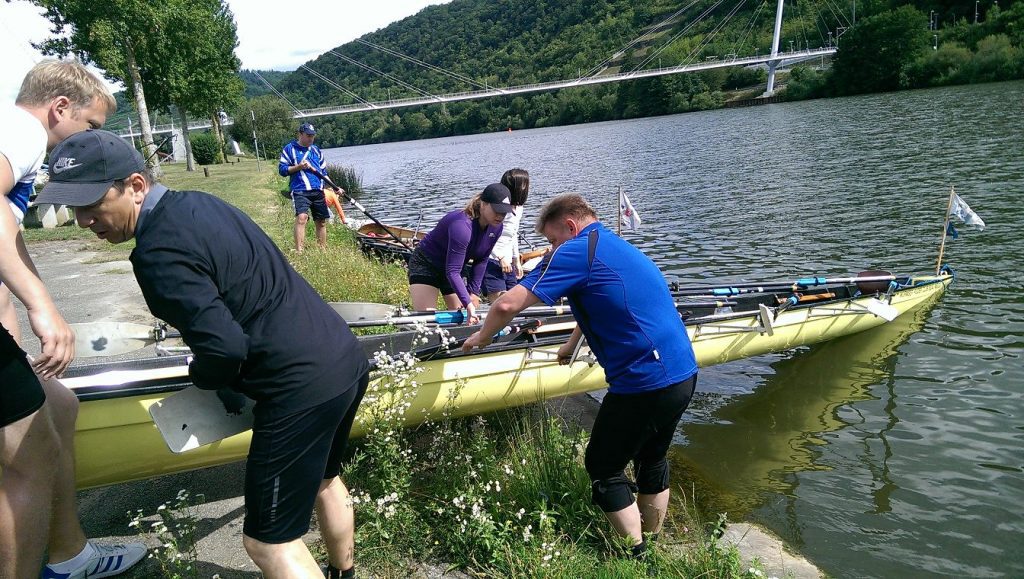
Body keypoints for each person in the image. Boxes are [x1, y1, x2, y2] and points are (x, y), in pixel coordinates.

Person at [38, 129, 370, 579]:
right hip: (343, 356)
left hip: (298, 385)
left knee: (268, 542)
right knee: (325, 480)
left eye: (92, 203)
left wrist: (206, 376)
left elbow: (224, 348)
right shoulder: (200, 203)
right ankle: (343, 573)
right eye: (74, 207)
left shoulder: (156, 253)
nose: (83, 220)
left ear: (136, 186)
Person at [461, 193, 698, 559]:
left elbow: (507, 304)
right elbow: (601, 300)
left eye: (553, 239)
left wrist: (481, 337)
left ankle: (634, 556)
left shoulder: (574, 250)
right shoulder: (612, 244)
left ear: (570, 226)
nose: (551, 248)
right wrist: (571, 344)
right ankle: (652, 544)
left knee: (603, 466)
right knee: (652, 459)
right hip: (682, 372)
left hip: (644, 381)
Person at [0, 60, 147, 579]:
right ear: (60, 107)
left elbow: (7, 242)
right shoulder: (21, 129)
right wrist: (42, 306)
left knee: (58, 404)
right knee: (30, 455)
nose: (89, 139)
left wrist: (15, 329)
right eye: (90, 126)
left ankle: (69, 555)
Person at [407, 183, 513, 323]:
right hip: (427, 263)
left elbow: (482, 260)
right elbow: (453, 271)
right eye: (497, 210)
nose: (500, 216)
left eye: (504, 212)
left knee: (464, 318)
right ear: (483, 204)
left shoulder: (496, 228)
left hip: (455, 265)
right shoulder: (462, 225)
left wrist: (473, 292)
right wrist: (468, 303)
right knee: (427, 321)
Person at [278, 122, 342, 252]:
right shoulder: (289, 149)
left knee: (321, 221)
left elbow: (323, 173)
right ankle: (299, 251)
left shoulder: (316, 150)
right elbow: (282, 170)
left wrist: (335, 188)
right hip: (300, 189)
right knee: (302, 218)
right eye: (308, 136)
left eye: (312, 136)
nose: (311, 139)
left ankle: (322, 251)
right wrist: (299, 167)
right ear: (300, 134)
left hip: (318, 190)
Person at [482, 169, 530, 302]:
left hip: (508, 262)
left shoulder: (518, 209)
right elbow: (486, 236)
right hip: (492, 260)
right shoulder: (499, 210)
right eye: (525, 185)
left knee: (514, 301)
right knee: (499, 303)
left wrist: (516, 260)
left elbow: (512, 235)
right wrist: (500, 257)